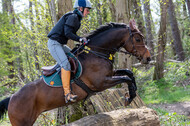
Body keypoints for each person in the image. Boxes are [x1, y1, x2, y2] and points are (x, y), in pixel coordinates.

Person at [47, 0, 92, 103]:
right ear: (80, 8)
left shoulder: (76, 18)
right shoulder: (73, 17)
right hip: (54, 44)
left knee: (74, 57)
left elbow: (70, 34)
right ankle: (67, 94)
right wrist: (80, 39)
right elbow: (68, 33)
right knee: (66, 65)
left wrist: (81, 40)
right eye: (87, 10)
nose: (88, 12)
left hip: (60, 44)